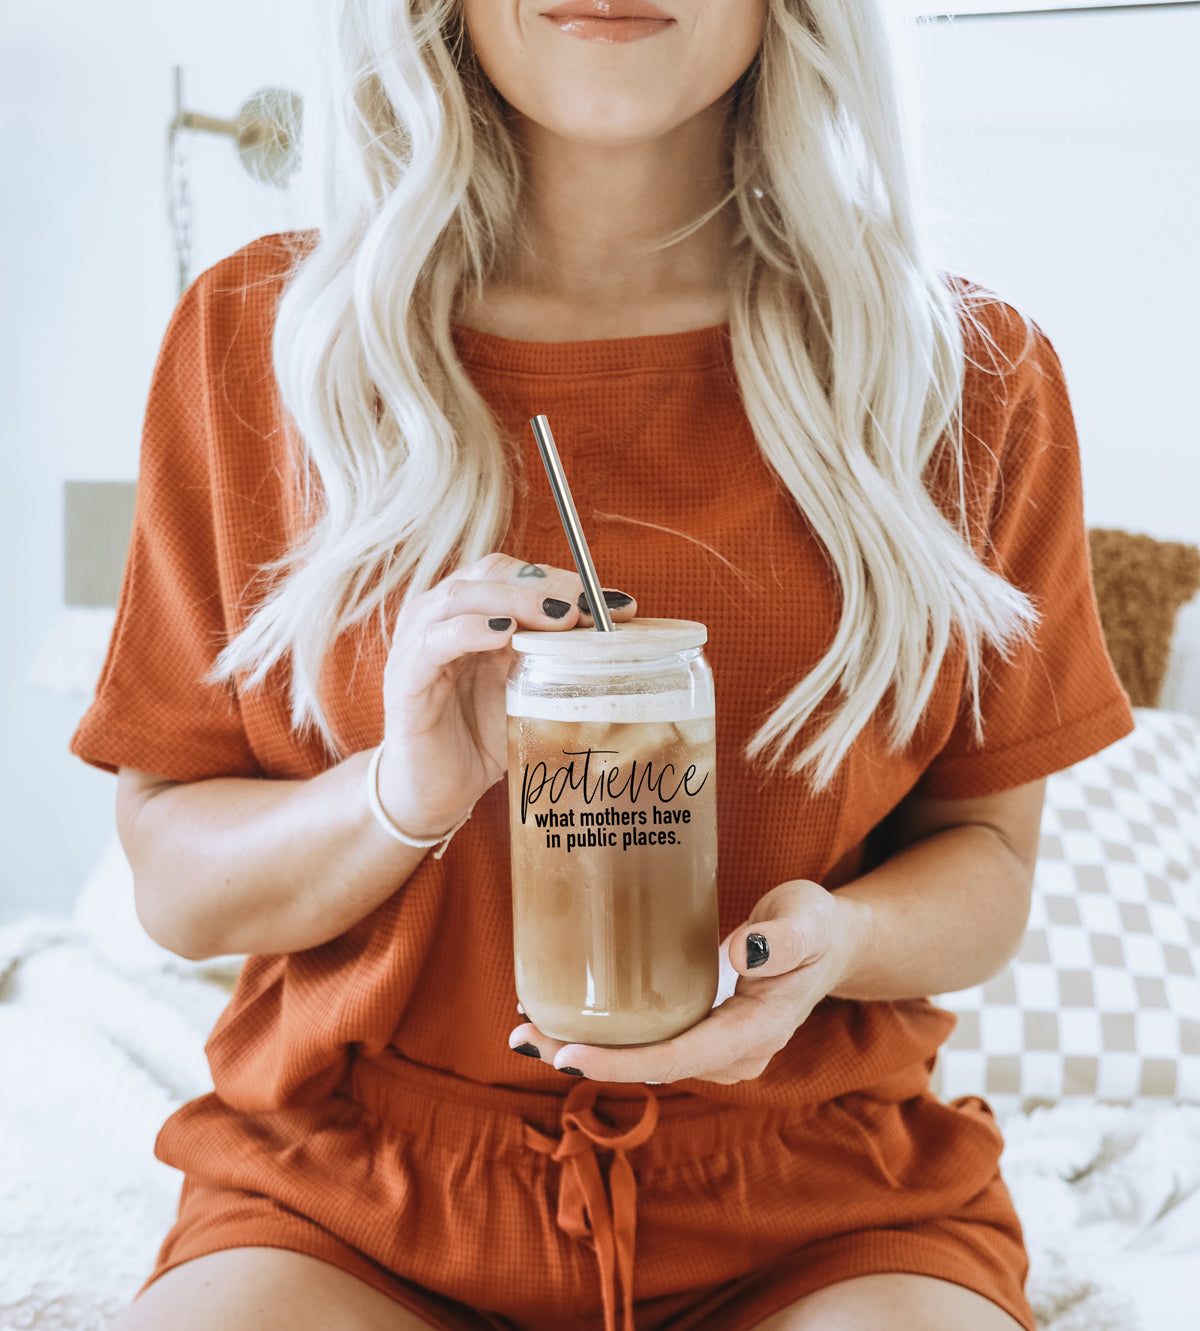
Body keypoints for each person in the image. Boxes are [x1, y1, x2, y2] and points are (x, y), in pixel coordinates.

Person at [72, 2, 1135, 1328]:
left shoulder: (963, 380)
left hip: (816, 1201)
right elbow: (173, 881)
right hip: (348, 1196)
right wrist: (401, 795)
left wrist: (837, 940)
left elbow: (990, 864)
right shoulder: (266, 344)